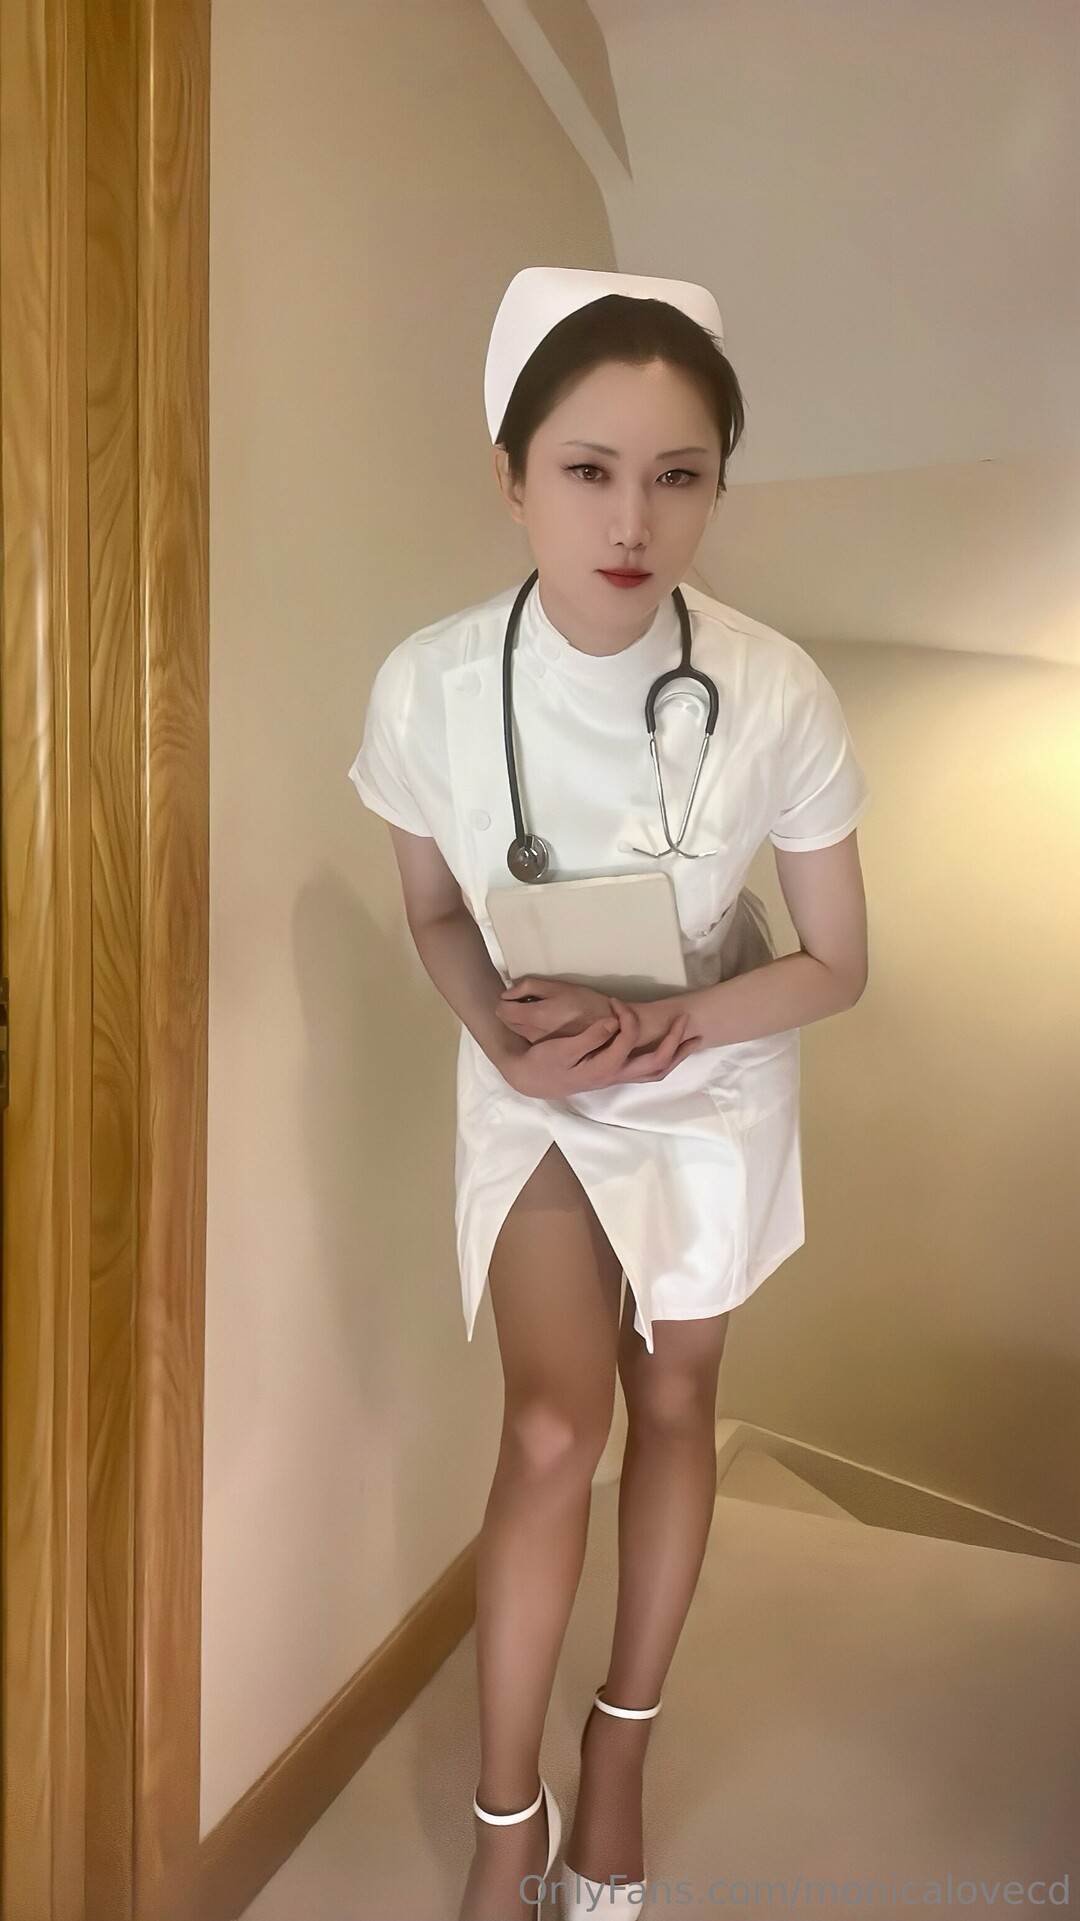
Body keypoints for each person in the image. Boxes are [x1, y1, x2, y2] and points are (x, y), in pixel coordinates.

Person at [348, 266, 871, 1921]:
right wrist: (506, 1042)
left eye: (677, 474)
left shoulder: (773, 687)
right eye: (588, 469)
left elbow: (838, 961)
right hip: (536, 1074)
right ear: (511, 475)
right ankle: (509, 1817)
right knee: (553, 1422)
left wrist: (677, 1021)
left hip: (708, 1069)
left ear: (716, 482)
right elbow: (439, 915)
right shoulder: (427, 686)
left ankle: (621, 1744)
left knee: (677, 1403)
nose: (634, 520)